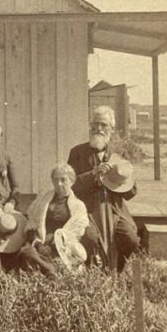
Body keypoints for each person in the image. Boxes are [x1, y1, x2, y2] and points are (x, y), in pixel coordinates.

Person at [67, 106, 139, 271]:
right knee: (90, 238)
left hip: (114, 209)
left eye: (104, 125)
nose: (98, 129)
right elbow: (70, 186)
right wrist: (93, 175)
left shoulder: (120, 154)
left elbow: (132, 191)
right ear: (90, 126)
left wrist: (117, 177)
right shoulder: (77, 152)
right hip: (88, 208)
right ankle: (92, 275)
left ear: (111, 129)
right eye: (95, 124)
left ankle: (117, 270)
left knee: (131, 239)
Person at [19, 164, 90, 276]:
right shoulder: (43, 200)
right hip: (41, 243)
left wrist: (54, 246)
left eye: (63, 180)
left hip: (63, 247)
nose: (59, 184)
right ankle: (50, 270)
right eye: (55, 180)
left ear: (72, 181)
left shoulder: (78, 206)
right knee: (26, 252)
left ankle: (48, 268)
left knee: (61, 260)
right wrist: (38, 244)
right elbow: (31, 224)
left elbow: (76, 235)